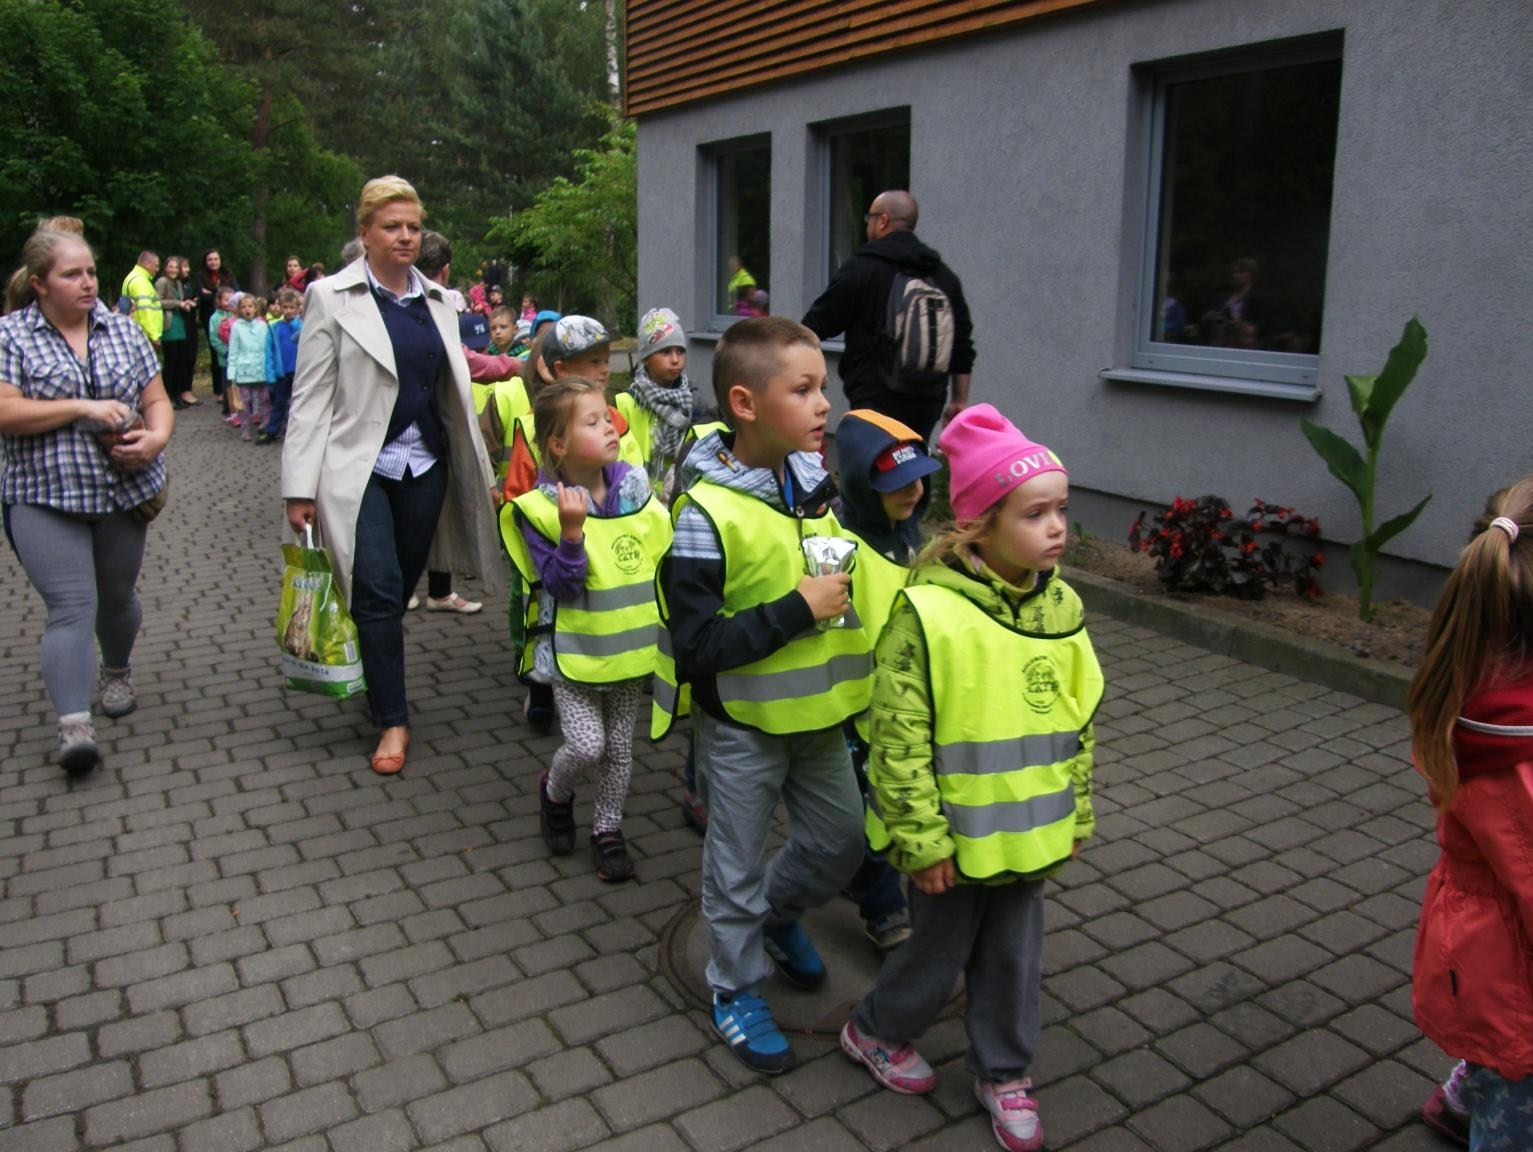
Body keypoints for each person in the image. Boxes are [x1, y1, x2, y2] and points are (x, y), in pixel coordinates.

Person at [839, 405, 1102, 1152]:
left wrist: (1076, 814)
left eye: (1061, 510)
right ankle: (875, 1030)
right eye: (1034, 514)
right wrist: (920, 841)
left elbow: (1078, 720)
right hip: (949, 842)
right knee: (936, 954)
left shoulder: (1063, 606)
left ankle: (1004, 1071)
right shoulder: (926, 612)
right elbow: (897, 738)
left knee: (1015, 958)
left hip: (1030, 834)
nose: (1056, 528)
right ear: (979, 525)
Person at [657, 316, 871, 1074]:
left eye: (824, 387)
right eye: (803, 390)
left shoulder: (812, 487)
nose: (824, 405)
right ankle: (736, 987)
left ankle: (777, 919)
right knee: (734, 866)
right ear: (745, 404)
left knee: (842, 839)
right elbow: (696, 649)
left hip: (817, 713)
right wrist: (797, 610)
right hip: (742, 725)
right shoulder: (703, 515)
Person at [281, 175, 501, 775]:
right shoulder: (330, 296)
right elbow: (310, 397)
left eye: (413, 227)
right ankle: (392, 718)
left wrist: (484, 467)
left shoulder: (440, 301)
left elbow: (456, 393)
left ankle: (373, 663)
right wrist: (298, 487)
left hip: (425, 463)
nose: (405, 237)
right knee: (377, 587)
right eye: (391, 227)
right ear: (365, 232)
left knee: (396, 586)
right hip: (357, 466)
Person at [0, 225, 174, 774]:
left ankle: (116, 670)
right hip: (43, 497)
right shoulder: (11, 336)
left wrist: (155, 439)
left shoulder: (122, 330)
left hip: (123, 493)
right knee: (72, 605)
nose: (88, 283)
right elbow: (5, 411)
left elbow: (157, 401)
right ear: (39, 283)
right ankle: (74, 727)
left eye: (92, 272)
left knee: (115, 598)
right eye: (72, 274)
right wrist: (81, 407)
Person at [1408, 478, 1533, 1152]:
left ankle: (1467, 1092)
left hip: (1486, 962)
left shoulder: (1473, 688)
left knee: (1497, 1059)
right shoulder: (1517, 757)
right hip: (1511, 985)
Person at [503, 375, 669, 882]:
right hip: (572, 653)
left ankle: (607, 829)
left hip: (628, 649)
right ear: (558, 445)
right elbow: (560, 586)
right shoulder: (542, 509)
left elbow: (658, 555)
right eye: (592, 422)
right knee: (586, 746)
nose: (611, 427)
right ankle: (555, 792)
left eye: (608, 417)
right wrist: (572, 535)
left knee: (619, 750)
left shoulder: (635, 489)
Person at [834, 408, 945, 951]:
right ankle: (882, 908)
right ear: (862, 485)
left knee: (888, 804)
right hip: (856, 710)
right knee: (865, 811)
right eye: (897, 484)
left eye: (919, 479)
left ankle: (860, 875)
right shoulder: (842, 546)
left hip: (904, 703)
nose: (913, 491)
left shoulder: (911, 536)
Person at [802, 190, 975, 447]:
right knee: (914, 463)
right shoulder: (943, 276)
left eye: (869, 218)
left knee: (873, 465)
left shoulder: (863, 267)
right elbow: (962, 346)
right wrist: (959, 401)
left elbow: (815, 326)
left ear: (882, 220)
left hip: (874, 396)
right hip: (928, 399)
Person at [616, 307, 693, 502]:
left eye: (680, 351)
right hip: (634, 499)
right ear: (646, 359)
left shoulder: (691, 401)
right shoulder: (626, 402)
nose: (675, 360)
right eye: (665, 352)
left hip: (676, 498)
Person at [226, 293, 272, 443]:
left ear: (256, 308)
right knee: (244, 401)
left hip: (261, 367)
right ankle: (245, 429)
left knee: (265, 398)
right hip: (244, 369)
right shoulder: (236, 327)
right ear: (239, 309)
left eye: (250, 306)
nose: (247, 309)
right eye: (244, 307)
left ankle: (266, 424)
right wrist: (231, 374)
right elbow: (233, 351)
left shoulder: (263, 325)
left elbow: (268, 348)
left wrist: (270, 367)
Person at [156, 256, 200, 409]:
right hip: (169, 325)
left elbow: (181, 300)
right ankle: (168, 396)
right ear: (165, 268)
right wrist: (177, 303)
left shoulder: (179, 283)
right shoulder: (162, 282)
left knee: (180, 362)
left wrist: (186, 303)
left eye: (176, 267)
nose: (173, 270)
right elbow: (157, 301)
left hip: (180, 324)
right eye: (171, 267)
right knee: (171, 362)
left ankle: (177, 394)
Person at [197, 251, 238, 413]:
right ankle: (224, 401)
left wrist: (211, 292)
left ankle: (237, 405)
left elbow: (237, 291)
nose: (213, 262)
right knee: (222, 372)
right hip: (210, 317)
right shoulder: (201, 276)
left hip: (236, 351)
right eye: (210, 259)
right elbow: (202, 297)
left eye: (216, 259)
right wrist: (213, 293)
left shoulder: (228, 274)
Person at [262, 287, 303, 441]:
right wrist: (270, 374)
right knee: (279, 402)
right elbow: (269, 352)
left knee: (298, 403)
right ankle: (272, 431)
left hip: (298, 371)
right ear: (280, 307)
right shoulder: (274, 328)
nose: (288, 311)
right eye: (285, 307)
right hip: (282, 372)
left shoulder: (302, 326)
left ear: (297, 308)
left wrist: (295, 323)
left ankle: (296, 432)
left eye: (292, 307)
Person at [120, 251, 162, 350]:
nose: (157, 269)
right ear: (147, 265)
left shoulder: (132, 277)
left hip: (134, 332)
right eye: (156, 266)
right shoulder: (140, 282)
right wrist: (153, 336)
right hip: (143, 335)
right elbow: (145, 310)